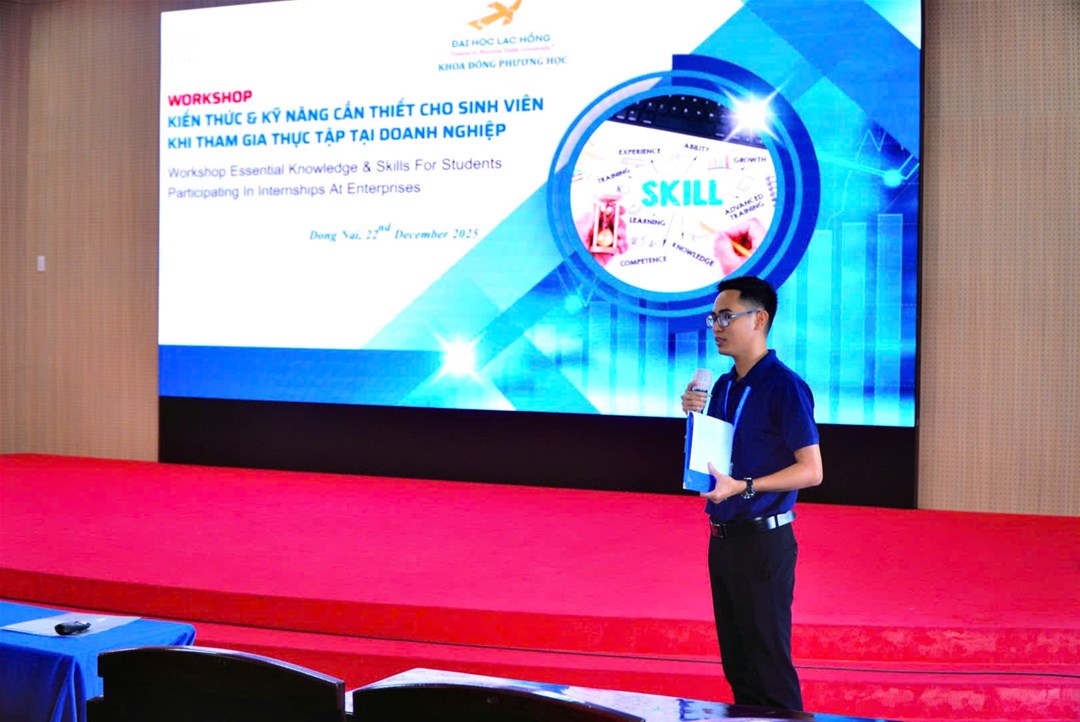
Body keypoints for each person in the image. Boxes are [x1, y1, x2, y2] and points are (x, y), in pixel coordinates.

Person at [680, 275, 822, 711]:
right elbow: (724, 456)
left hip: (764, 540)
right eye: (713, 319)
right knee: (739, 667)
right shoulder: (725, 385)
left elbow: (812, 470)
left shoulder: (784, 386)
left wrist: (745, 487)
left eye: (726, 317)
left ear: (759, 320)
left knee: (768, 669)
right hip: (724, 538)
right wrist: (692, 417)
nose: (716, 327)